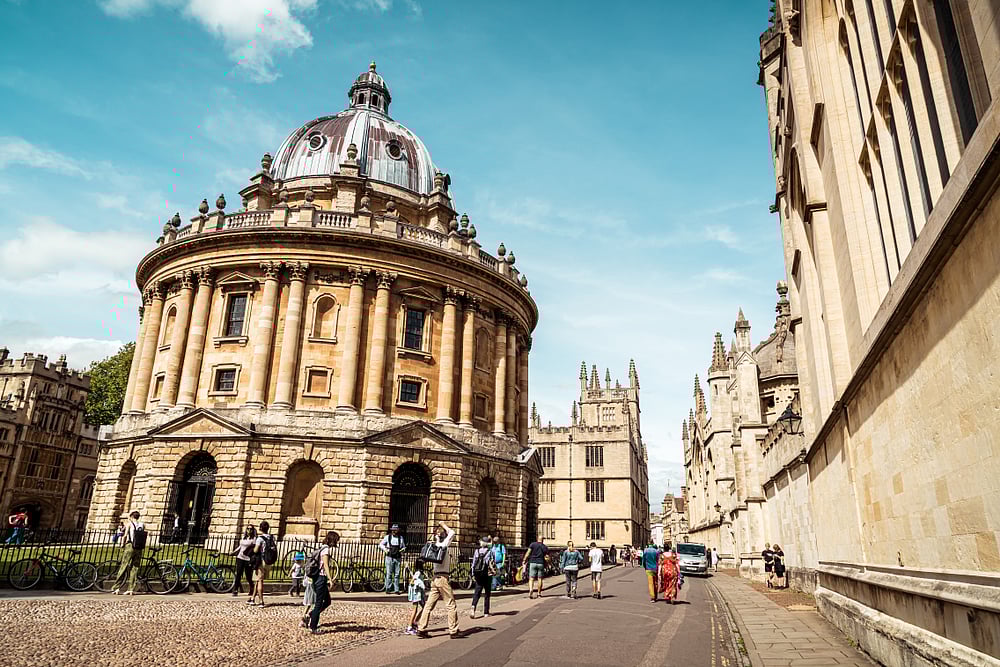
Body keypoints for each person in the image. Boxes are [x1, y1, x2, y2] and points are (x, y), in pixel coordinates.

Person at [416, 522, 462, 638]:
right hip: (443, 578)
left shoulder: (435, 547)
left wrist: (437, 536)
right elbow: (452, 532)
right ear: (444, 537)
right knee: (451, 604)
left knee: (428, 605)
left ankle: (421, 628)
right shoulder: (444, 546)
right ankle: (453, 630)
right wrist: (443, 524)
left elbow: (439, 539)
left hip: (435, 578)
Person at [307, 530, 340, 634]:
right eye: (337, 540)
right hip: (321, 578)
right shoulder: (326, 550)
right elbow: (325, 565)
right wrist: (330, 579)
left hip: (319, 578)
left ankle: (312, 614)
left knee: (328, 601)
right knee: (318, 603)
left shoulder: (322, 547)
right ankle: (313, 626)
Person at [112, 511, 144, 595]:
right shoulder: (142, 524)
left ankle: (117, 587)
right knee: (135, 568)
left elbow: (125, 535)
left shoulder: (129, 524)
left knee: (123, 566)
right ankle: (131, 589)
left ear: (132, 516)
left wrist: (122, 544)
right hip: (139, 547)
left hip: (130, 546)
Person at [470, 536, 496, 618]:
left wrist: (473, 573)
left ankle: (473, 607)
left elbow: (473, 564)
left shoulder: (477, 551)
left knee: (477, 592)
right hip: (487, 574)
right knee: (487, 593)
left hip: (478, 574)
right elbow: (491, 562)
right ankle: (486, 612)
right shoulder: (490, 552)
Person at [252, 521, 275, 608]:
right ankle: (252, 598)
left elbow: (256, 550)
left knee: (260, 580)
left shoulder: (260, 538)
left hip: (261, 561)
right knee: (258, 579)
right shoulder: (272, 537)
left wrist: (253, 548)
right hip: (268, 561)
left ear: (260, 528)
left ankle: (261, 601)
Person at [379, 524, 406, 594]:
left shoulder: (401, 538)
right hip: (389, 557)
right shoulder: (388, 537)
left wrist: (403, 549)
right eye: (393, 530)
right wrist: (385, 550)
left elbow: (403, 546)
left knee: (397, 574)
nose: (394, 532)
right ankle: (388, 588)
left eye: (395, 530)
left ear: (398, 531)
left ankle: (396, 589)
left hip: (398, 557)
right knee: (389, 573)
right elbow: (381, 544)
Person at [231, 525, 256, 599]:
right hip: (240, 557)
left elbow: (254, 549)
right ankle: (235, 589)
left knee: (248, 575)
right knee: (238, 573)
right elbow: (240, 547)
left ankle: (252, 587)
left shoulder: (254, 539)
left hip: (248, 559)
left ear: (253, 530)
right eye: (248, 529)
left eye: (251, 529)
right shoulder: (243, 537)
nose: (249, 530)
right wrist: (233, 552)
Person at [405, 559, 428, 635]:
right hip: (416, 594)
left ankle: (414, 622)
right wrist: (420, 585)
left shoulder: (418, 572)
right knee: (415, 610)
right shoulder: (418, 573)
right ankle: (409, 627)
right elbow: (412, 581)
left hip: (419, 594)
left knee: (424, 607)